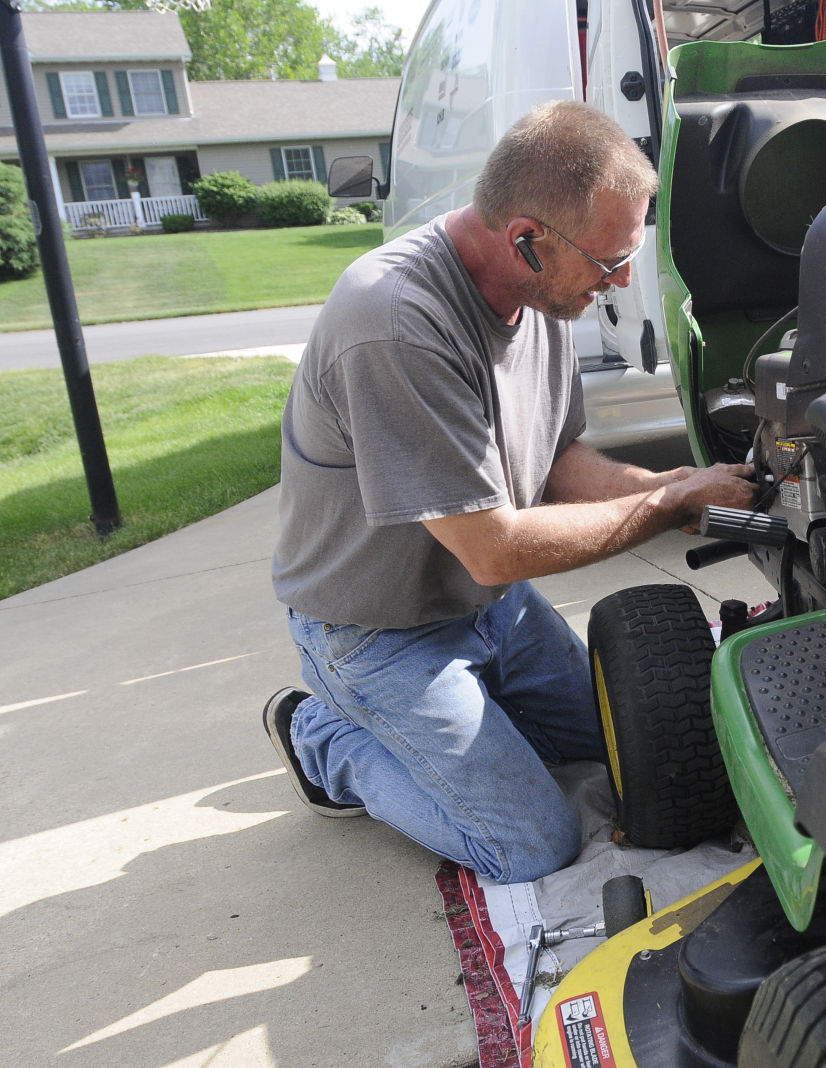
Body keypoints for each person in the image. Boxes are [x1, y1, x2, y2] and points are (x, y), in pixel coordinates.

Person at [261, 100, 757, 884]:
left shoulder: (543, 292)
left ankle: (477, 719)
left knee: (631, 746)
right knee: (531, 843)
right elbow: (493, 548)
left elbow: (559, 458)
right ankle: (324, 737)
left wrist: (675, 485)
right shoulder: (394, 322)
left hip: (494, 611)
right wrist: (661, 507)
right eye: (608, 262)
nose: (622, 278)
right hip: (378, 634)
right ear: (527, 239)